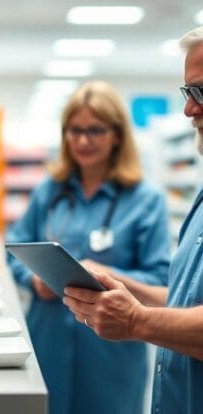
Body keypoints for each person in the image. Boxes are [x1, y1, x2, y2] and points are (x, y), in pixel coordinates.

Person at [6, 80, 171, 414]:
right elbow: (16, 251)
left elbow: (161, 282)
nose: (82, 140)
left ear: (117, 135)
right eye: (74, 130)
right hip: (47, 340)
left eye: (95, 130)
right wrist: (34, 281)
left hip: (110, 354)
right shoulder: (49, 191)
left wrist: (110, 274)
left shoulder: (146, 201)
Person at [63, 26, 203, 414]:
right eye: (188, 93)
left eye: (202, 92)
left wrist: (138, 322)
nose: (189, 110)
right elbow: (183, 301)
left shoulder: (145, 200)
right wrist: (117, 284)